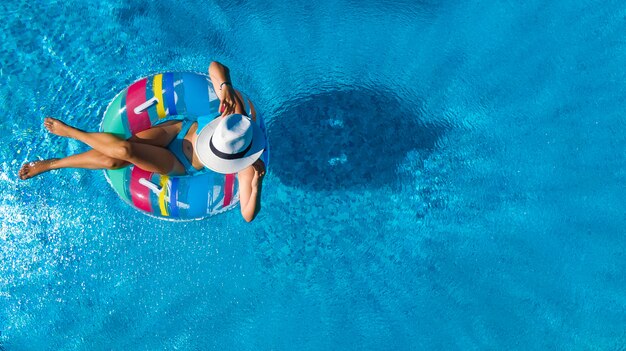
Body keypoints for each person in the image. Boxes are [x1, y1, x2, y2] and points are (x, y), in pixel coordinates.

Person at [18, 62, 266, 222]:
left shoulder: (246, 166)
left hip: (178, 162)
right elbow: (216, 66)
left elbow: (247, 214)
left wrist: (257, 185)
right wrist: (225, 87)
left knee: (123, 151)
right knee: (114, 159)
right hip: (177, 130)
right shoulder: (237, 118)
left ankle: (73, 134)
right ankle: (54, 163)